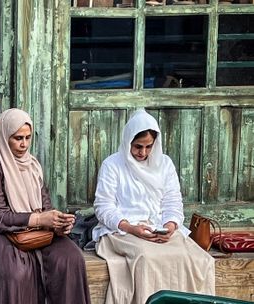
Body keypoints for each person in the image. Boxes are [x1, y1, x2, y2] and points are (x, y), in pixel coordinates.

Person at [0, 108, 91, 304]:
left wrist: (58, 223)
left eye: (28, 138)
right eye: (17, 138)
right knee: (14, 271)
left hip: (33, 227)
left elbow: (45, 206)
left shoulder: (32, 165)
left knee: (71, 258)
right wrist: (39, 219)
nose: (24, 144)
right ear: (4, 137)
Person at [92, 109, 215, 304]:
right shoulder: (113, 165)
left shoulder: (164, 164)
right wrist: (131, 228)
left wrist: (170, 227)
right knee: (147, 257)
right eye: (137, 146)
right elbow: (103, 206)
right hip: (123, 230)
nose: (143, 153)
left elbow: (173, 202)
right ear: (127, 142)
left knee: (194, 259)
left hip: (159, 227)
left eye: (149, 147)